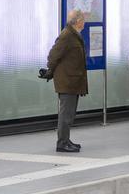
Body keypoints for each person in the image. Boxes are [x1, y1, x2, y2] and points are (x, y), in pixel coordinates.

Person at [45, 9, 89, 152]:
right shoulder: (67, 35)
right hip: (67, 81)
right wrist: (50, 70)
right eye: (83, 19)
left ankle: (66, 139)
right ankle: (62, 143)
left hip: (73, 81)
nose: (84, 22)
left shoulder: (74, 35)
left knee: (69, 114)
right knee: (66, 114)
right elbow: (53, 55)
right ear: (78, 21)